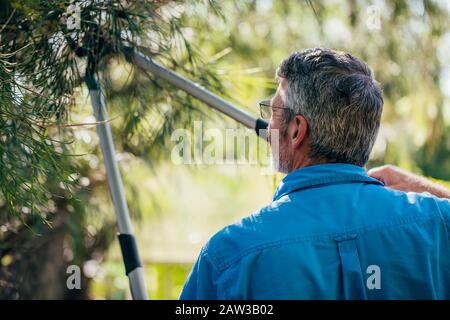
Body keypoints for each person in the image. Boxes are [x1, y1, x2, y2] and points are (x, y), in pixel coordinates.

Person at [179, 48, 450, 299]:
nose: (267, 125)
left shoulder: (228, 257)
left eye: (272, 111)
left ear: (297, 130)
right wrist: (429, 191)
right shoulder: (439, 224)